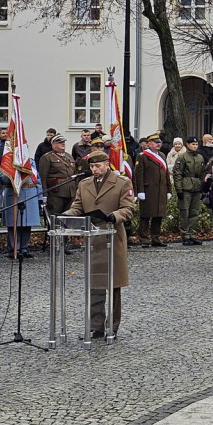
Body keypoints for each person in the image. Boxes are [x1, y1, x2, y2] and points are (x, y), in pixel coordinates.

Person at [64, 149, 135, 338]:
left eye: (97, 166)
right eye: (92, 166)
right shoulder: (84, 183)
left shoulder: (122, 182)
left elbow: (128, 208)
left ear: (106, 164)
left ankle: (112, 326)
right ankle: (96, 326)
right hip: (92, 239)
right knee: (94, 286)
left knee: (113, 285)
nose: (94, 169)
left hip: (113, 238)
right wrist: (67, 216)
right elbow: (77, 206)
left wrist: (115, 216)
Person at [38, 133, 79, 245]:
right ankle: (54, 244)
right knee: (55, 218)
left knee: (66, 218)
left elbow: (74, 173)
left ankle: (63, 244)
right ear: (53, 145)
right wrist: (44, 194)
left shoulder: (69, 156)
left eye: (63, 142)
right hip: (56, 192)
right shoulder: (47, 157)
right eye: (60, 142)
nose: (63, 144)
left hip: (70, 191)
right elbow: (43, 177)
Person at [133, 132, 173, 248]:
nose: (158, 144)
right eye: (156, 143)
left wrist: (169, 189)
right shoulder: (142, 156)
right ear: (149, 144)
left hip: (161, 190)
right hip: (148, 190)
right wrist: (139, 191)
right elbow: (138, 175)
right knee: (146, 215)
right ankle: (144, 238)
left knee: (158, 215)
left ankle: (156, 238)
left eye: (159, 142)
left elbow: (166, 174)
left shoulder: (162, 156)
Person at [0, 168, 42, 260]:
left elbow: (37, 180)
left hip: (30, 194)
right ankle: (14, 249)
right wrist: (14, 170)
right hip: (14, 194)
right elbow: (3, 180)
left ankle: (24, 249)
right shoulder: (8, 161)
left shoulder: (31, 162)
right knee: (14, 224)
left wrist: (40, 196)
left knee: (27, 224)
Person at [173, 136, 206, 246]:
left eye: (196, 144)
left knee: (194, 212)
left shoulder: (200, 157)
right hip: (186, 186)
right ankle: (185, 235)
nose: (195, 146)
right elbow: (177, 173)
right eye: (193, 144)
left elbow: (202, 173)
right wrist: (179, 189)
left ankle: (192, 234)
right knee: (184, 211)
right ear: (187, 145)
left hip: (197, 186)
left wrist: (203, 187)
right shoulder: (182, 157)